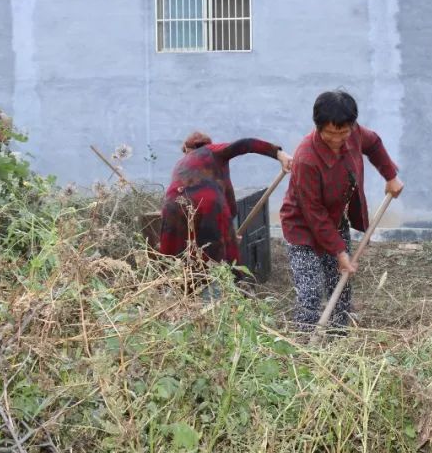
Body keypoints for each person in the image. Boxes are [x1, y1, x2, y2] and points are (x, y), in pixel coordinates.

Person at [280, 91, 404, 331]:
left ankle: (338, 337)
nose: (337, 139)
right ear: (318, 127)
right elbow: (313, 212)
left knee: (341, 283)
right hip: (302, 227)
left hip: (335, 219)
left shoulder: (354, 133)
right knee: (311, 291)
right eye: (330, 134)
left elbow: (374, 143)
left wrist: (390, 175)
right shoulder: (306, 158)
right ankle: (305, 345)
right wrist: (338, 250)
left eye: (343, 132)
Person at [160, 131, 292, 269]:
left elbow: (226, 195)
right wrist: (279, 154)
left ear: (187, 149)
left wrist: (230, 232)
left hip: (172, 206)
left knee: (174, 260)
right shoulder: (213, 151)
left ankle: (175, 287)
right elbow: (245, 143)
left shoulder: (181, 163)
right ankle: (221, 287)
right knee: (221, 261)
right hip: (206, 204)